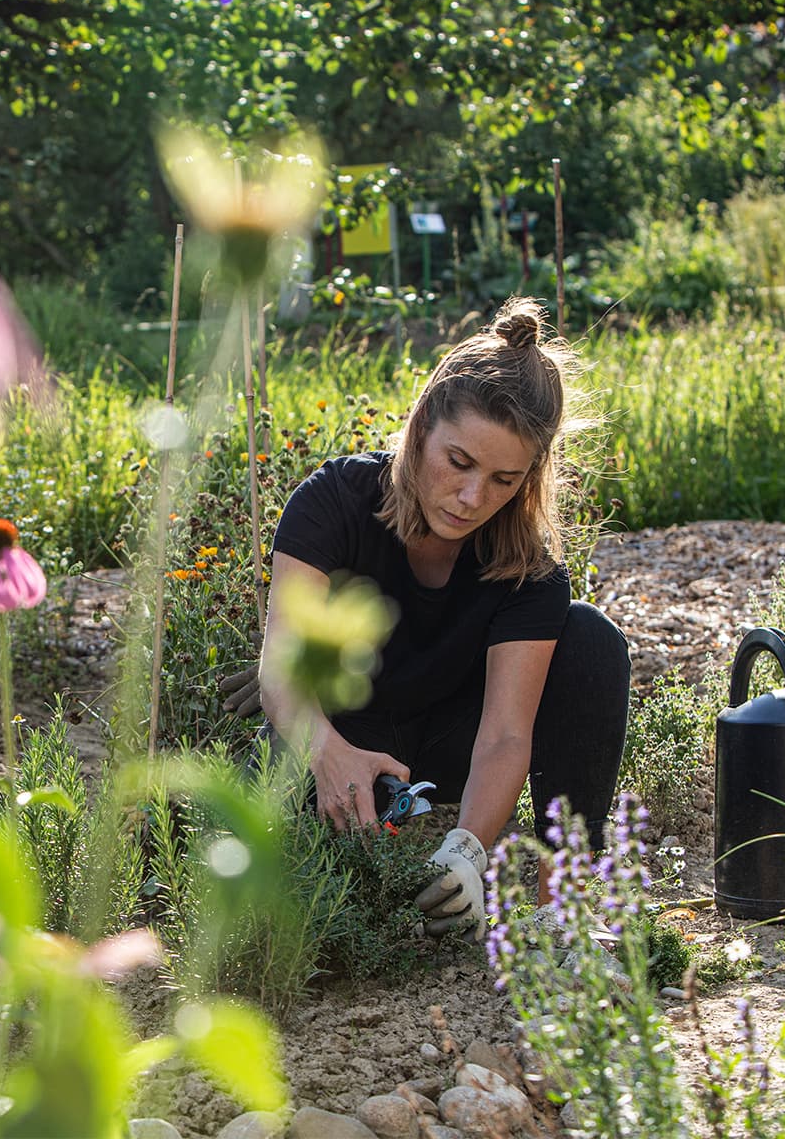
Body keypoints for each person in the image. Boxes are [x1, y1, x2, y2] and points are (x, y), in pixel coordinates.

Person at [255, 296, 629, 939]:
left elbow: (508, 734)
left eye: (504, 480)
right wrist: (328, 753)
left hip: (453, 745)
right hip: (347, 735)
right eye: (459, 462)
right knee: (287, 884)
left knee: (591, 637)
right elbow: (282, 668)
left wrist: (469, 851)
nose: (471, 498)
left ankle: (559, 906)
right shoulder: (333, 502)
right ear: (422, 423)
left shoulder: (528, 565)